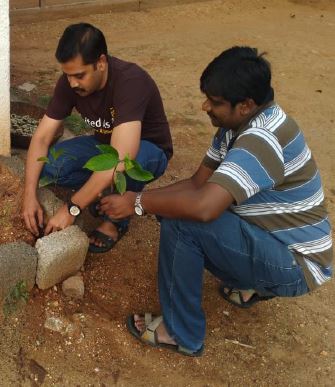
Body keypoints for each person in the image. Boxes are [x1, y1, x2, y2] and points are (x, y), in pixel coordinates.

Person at [97, 46, 333, 356]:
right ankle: (250, 284)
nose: (205, 106)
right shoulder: (236, 126)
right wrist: (140, 199)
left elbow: (204, 207)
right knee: (170, 208)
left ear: (246, 105)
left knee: (183, 223)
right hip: (281, 241)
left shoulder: (261, 139)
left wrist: (138, 202)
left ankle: (181, 333)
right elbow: (198, 183)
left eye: (216, 102)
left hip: (298, 264)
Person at [22, 23, 173, 253]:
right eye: (67, 75)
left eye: (79, 75)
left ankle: (114, 222)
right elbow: (42, 137)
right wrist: (29, 195)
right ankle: (100, 191)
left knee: (128, 164)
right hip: (104, 147)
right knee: (51, 166)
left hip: (147, 151)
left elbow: (122, 157)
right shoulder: (69, 83)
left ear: (101, 63)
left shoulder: (131, 81)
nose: (72, 83)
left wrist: (72, 207)